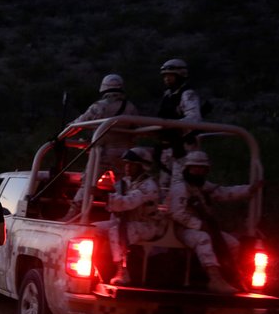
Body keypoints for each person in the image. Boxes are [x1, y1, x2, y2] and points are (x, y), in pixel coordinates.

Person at [169, 151, 261, 294]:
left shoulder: (202, 186)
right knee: (203, 239)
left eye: (202, 168)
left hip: (204, 227)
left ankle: (230, 276)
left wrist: (248, 189)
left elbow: (223, 192)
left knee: (232, 243)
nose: (198, 171)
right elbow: (177, 213)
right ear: (187, 168)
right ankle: (215, 279)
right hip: (182, 229)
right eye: (195, 167)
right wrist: (199, 225)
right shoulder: (180, 188)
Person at [65, 74, 140, 218]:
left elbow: (79, 123)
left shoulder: (99, 107)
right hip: (124, 154)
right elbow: (136, 128)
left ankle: (73, 215)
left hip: (102, 153)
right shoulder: (130, 107)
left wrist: (63, 133)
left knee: (87, 185)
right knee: (122, 185)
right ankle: (121, 215)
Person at [97, 147, 166, 286]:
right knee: (93, 229)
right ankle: (99, 268)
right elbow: (115, 204)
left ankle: (122, 271)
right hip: (128, 221)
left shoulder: (148, 186)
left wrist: (106, 196)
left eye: (132, 164)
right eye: (126, 163)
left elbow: (127, 203)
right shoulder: (126, 182)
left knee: (116, 231)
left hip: (148, 225)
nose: (127, 167)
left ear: (142, 166)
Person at [156, 58, 204, 189]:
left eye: (170, 76)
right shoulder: (168, 95)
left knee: (181, 186)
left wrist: (172, 125)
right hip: (168, 147)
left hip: (184, 149)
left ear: (180, 75)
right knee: (164, 187)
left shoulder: (188, 94)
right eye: (165, 76)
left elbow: (194, 119)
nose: (166, 79)